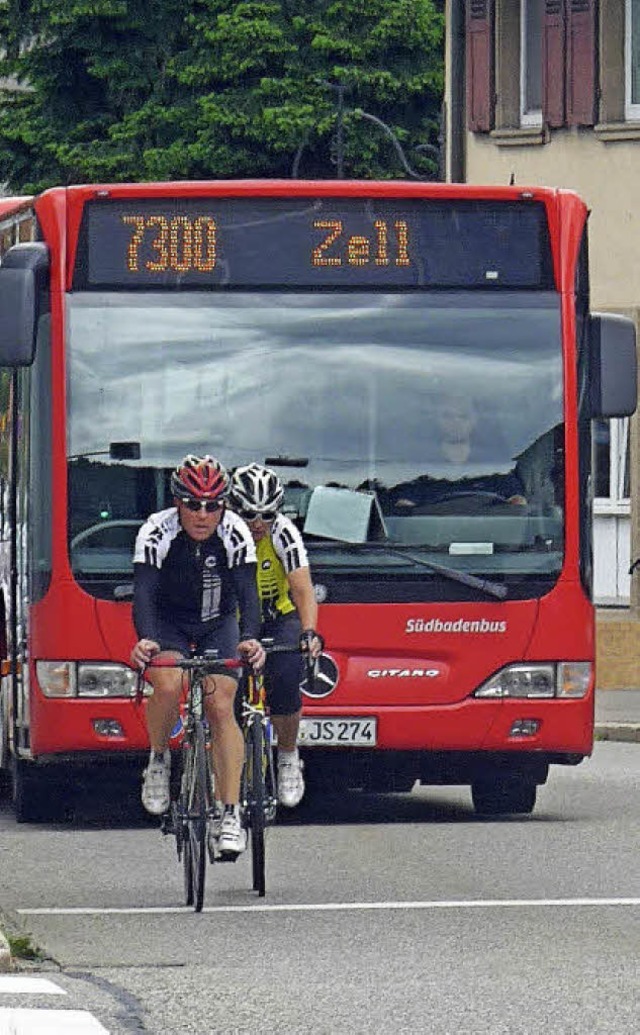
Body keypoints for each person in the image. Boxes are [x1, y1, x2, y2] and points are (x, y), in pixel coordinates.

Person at [130, 454, 264, 856]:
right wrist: (146, 639)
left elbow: (248, 596)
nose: (203, 514)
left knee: (222, 704)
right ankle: (157, 760)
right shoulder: (156, 531)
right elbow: (144, 595)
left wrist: (251, 638)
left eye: (212, 505)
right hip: (169, 623)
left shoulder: (236, 532)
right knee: (169, 684)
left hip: (216, 622)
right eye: (193, 504)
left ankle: (229, 813)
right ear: (177, 503)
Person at [227, 463, 324, 808]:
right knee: (228, 689)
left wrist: (309, 631)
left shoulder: (283, 532)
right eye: (248, 514)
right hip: (233, 619)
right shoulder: (218, 533)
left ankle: (286, 757)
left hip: (277, 615)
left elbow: (302, 588)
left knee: (285, 676)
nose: (257, 524)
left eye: (266, 515)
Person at [391, 391, 527, 511]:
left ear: (474, 420)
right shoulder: (419, 464)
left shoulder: (495, 463)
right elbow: (404, 508)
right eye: (447, 416)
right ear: (436, 420)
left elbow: (518, 502)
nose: (455, 421)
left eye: (463, 416)